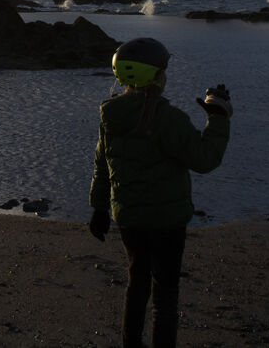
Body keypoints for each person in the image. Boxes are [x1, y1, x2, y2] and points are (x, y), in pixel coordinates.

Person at [88, 37, 231, 348]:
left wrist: (99, 209)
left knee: (137, 283)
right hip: (168, 221)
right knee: (165, 295)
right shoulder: (168, 118)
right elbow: (204, 159)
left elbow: (101, 165)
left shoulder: (110, 117)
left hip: (129, 218)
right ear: (156, 76)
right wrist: (218, 117)